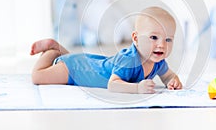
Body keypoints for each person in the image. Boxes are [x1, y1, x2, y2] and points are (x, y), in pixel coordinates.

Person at [30, 6, 183, 94]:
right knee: (37, 77)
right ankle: (51, 50)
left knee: (74, 59)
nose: (162, 45)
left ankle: (59, 52)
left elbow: (168, 75)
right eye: (154, 38)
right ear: (136, 39)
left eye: (168, 39)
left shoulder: (158, 61)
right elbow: (113, 84)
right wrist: (137, 88)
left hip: (85, 63)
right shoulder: (129, 60)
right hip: (74, 71)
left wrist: (173, 81)